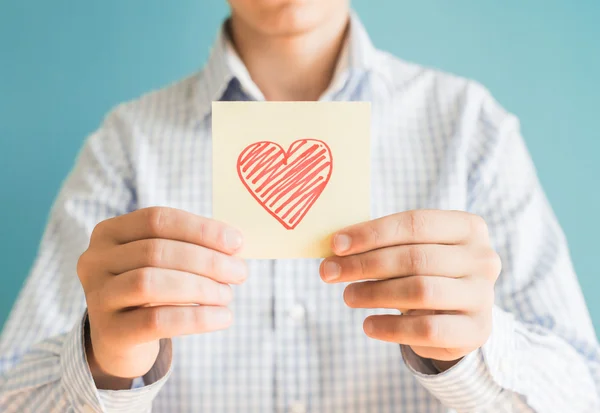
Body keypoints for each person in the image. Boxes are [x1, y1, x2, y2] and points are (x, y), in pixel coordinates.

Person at [1, 0, 599, 411]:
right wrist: (103, 363)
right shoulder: (125, 148)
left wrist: (478, 349)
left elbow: (585, 392)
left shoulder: (472, 131)